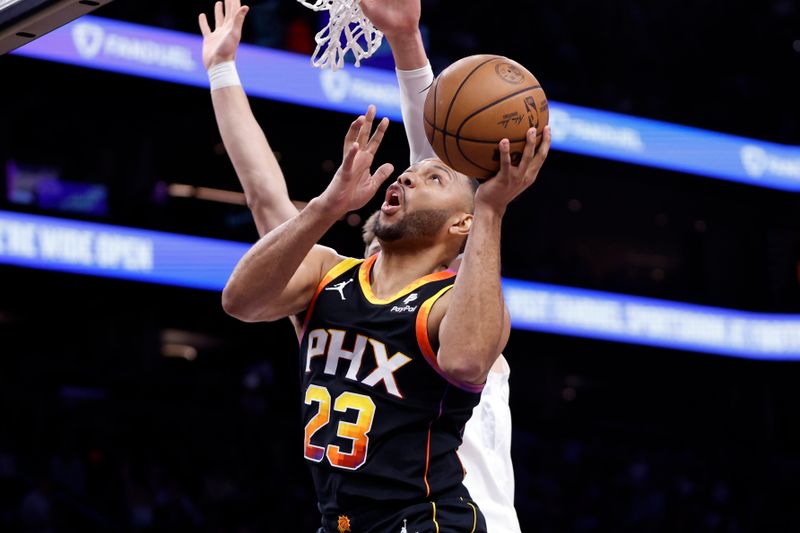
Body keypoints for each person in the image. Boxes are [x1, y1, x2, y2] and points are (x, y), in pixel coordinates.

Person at [199, 1, 551, 530]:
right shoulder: (328, 279)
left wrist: (408, 43)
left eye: (429, 179)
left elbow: (434, 150)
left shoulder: (458, 304)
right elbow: (265, 199)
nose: (409, 178)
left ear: (463, 226)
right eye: (408, 177)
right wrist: (222, 69)